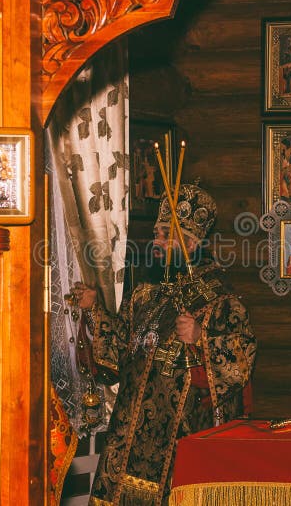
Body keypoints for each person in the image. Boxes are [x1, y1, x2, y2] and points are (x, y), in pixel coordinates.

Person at [72, 183, 256, 505]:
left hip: (179, 441)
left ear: (189, 243)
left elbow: (241, 362)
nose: (155, 242)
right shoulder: (146, 295)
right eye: (156, 234)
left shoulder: (219, 299)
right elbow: (114, 357)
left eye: (163, 235)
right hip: (127, 441)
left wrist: (201, 338)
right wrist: (94, 309)